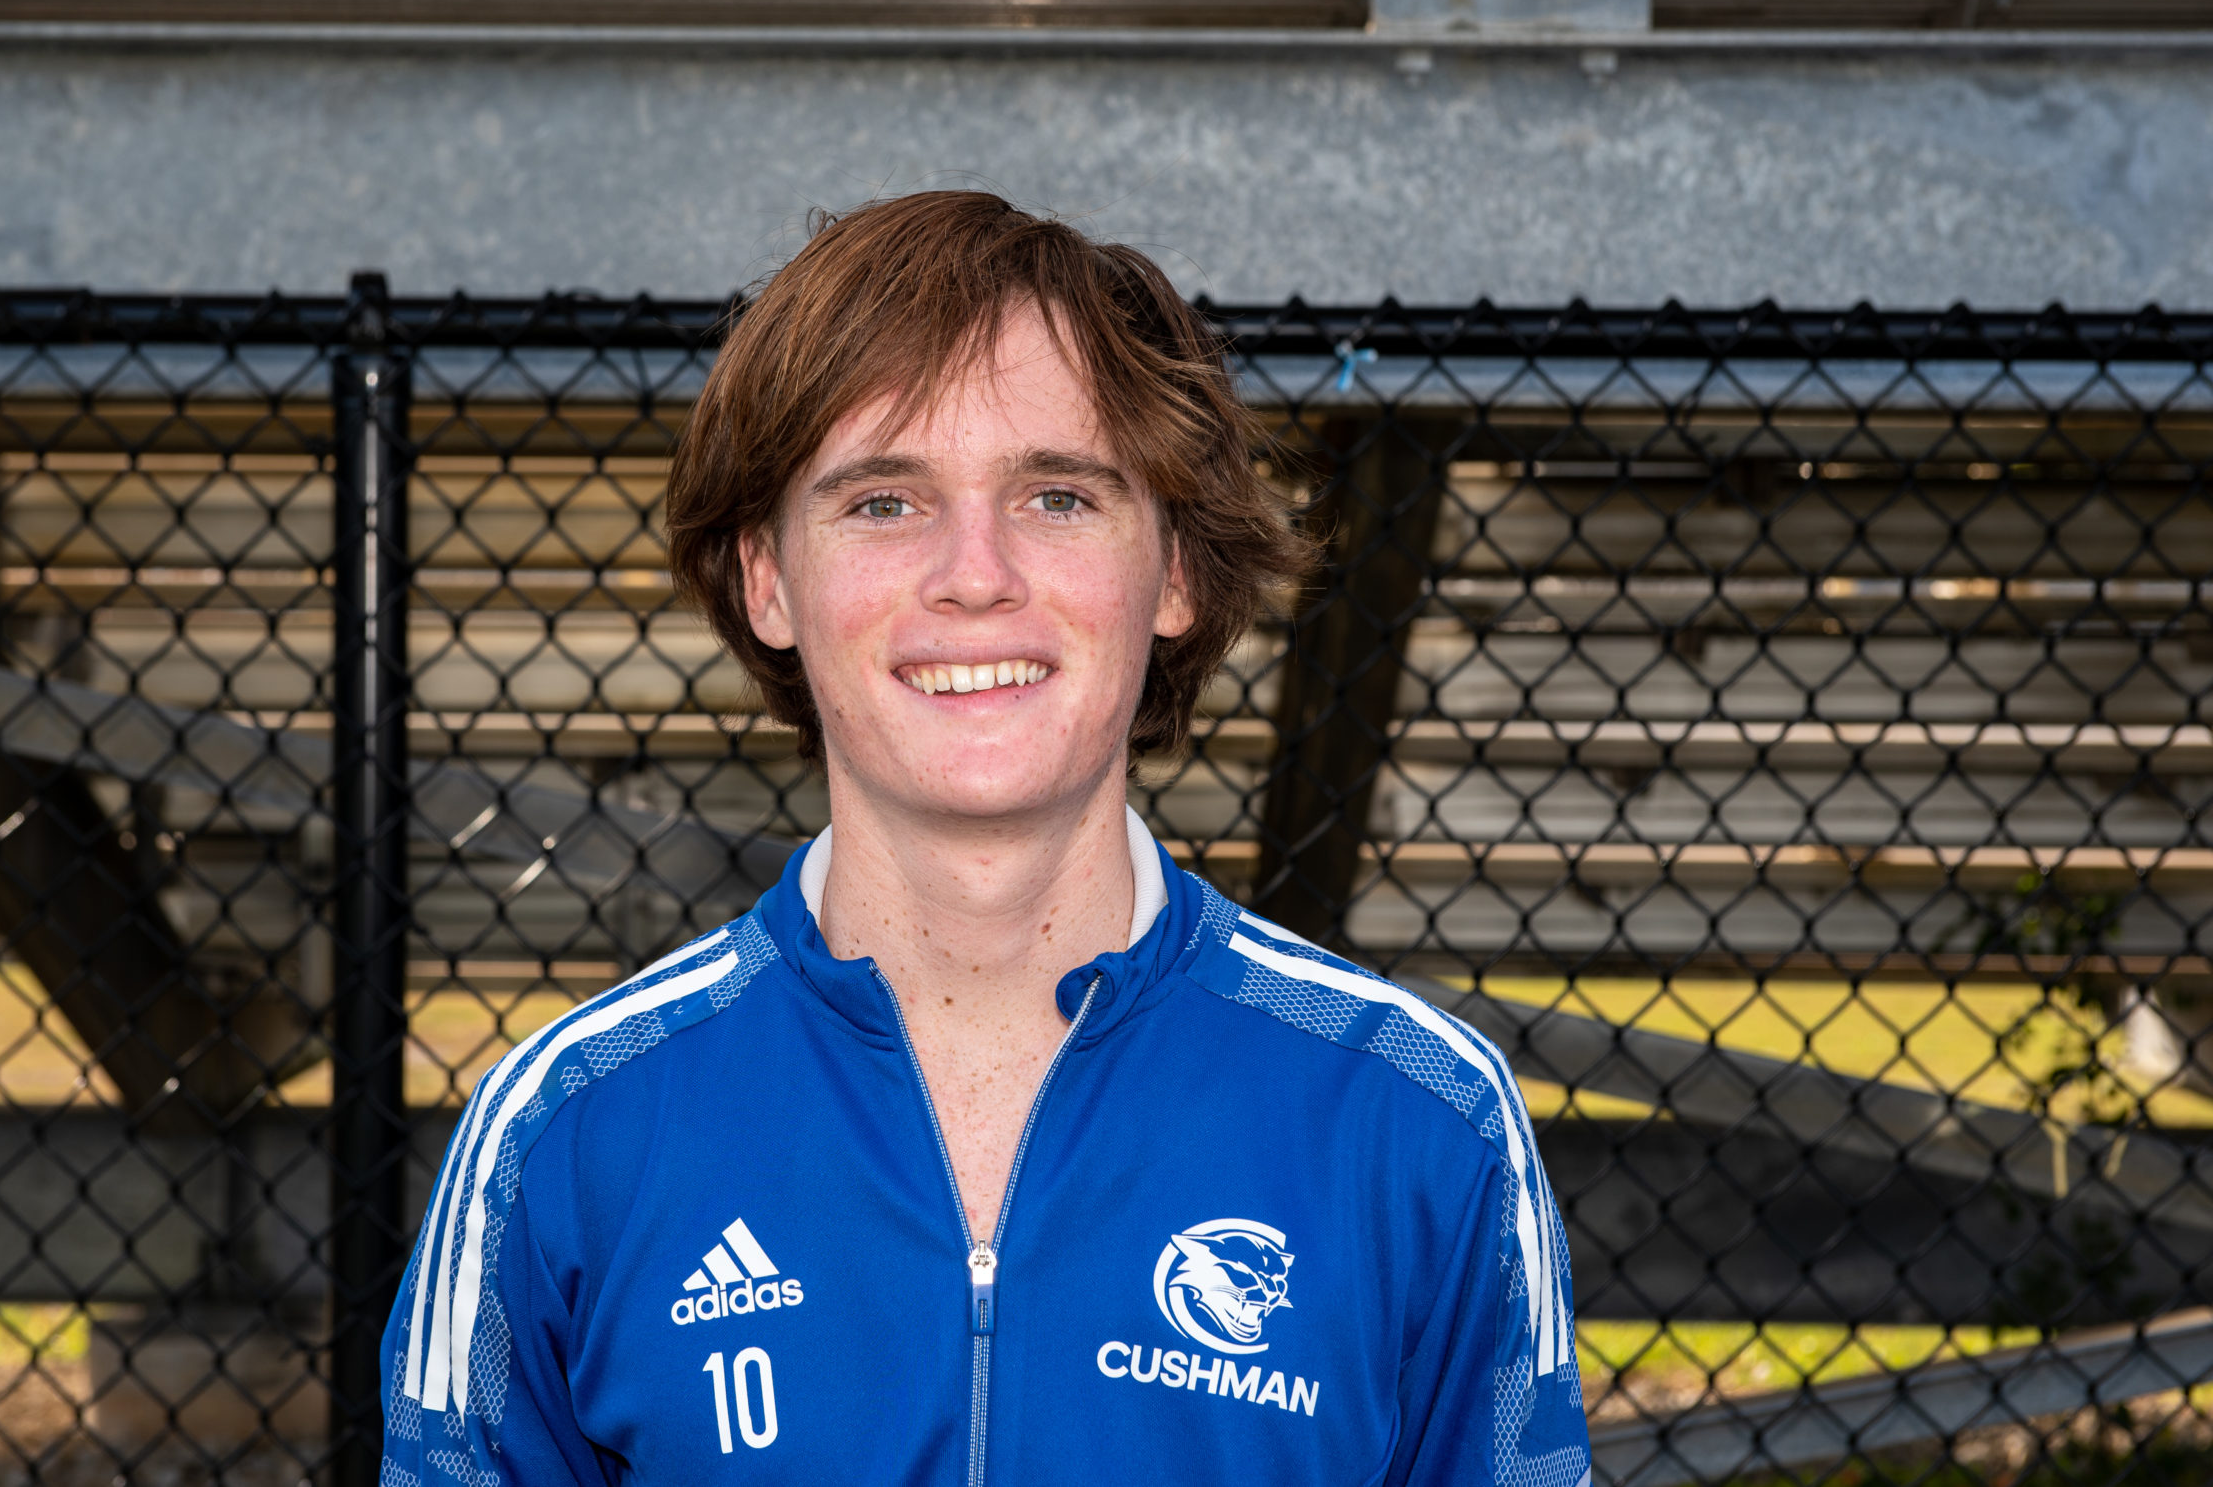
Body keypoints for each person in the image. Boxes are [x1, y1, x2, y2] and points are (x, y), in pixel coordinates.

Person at [379, 191, 1590, 1485]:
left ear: (1176, 569)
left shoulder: (1416, 1121)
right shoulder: (570, 1133)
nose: (974, 573)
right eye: (883, 501)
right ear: (766, 578)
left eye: (1057, 496)